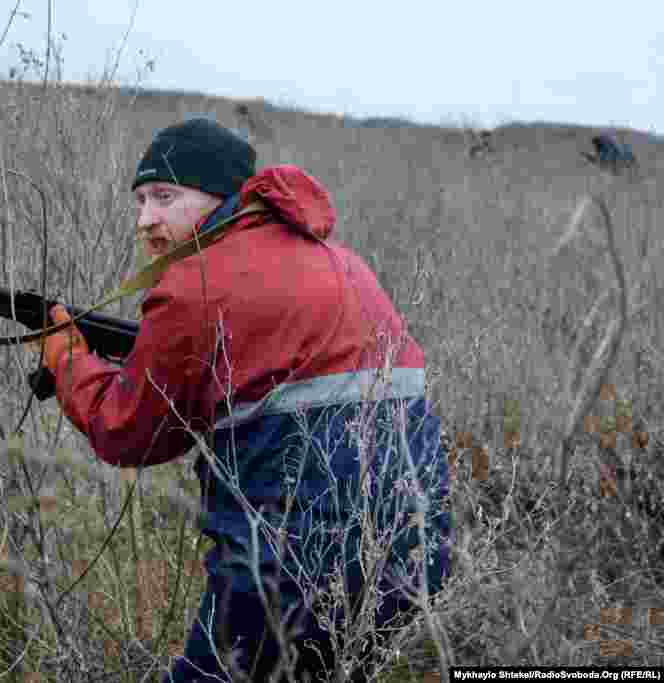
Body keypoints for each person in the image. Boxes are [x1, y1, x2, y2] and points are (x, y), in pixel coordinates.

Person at [36, 117, 453, 682]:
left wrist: (67, 359)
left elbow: (126, 431)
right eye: (140, 200)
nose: (146, 219)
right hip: (416, 557)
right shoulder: (344, 262)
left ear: (220, 196)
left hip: (288, 571)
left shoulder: (195, 283)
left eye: (165, 196)